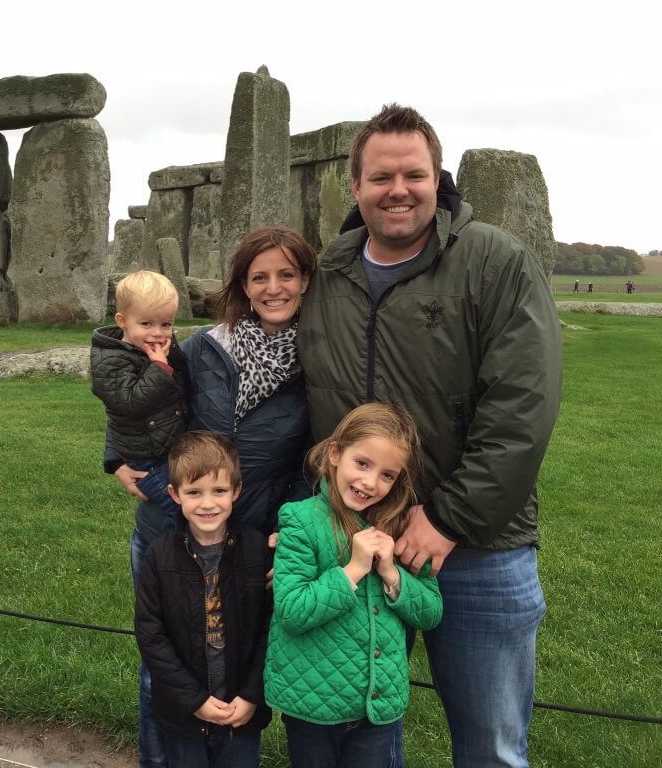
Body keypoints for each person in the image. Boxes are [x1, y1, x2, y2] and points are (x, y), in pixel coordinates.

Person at [298, 104, 563, 767]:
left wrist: (447, 518)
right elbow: (283, 390)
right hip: (351, 540)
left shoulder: (495, 261)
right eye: (381, 176)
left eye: (414, 174)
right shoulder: (328, 274)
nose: (398, 190)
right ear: (354, 185)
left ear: (438, 178)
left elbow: (522, 410)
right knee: (356, 729)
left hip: (476, 549)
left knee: (490, 748)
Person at [108, 226, 316, 768]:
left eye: (286, 275)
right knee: (164, 660)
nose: (273, 288)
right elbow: (140, 400)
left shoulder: (318, 361)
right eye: (259, 276)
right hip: (168, 531)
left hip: (249, 543)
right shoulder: (203, 347)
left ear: (306, 281)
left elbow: (315, 459)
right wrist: (116, 456)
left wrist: (290, 530)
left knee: (241, 656)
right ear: (243, 285)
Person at [266, 403, 442, 768]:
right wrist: (354, 570)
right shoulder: (299, 520)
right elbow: (292, 611)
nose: (369, 483)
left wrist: (393, 574)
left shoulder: (401, 525)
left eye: (387, 475)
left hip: (377, 706)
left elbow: (430, 613)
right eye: (362, 463)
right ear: (334, 453)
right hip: (313, 706)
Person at [135, 431, 272, 768]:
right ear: (174, 494)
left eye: (219, 491)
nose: (208, 504)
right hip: (184, 714)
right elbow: (151, 635)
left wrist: (253, 695)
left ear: (236, 491)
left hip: (241, 710)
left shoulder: (257, 551)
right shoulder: (159, 556)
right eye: (194, 492)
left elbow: (271, 630)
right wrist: (193, 700)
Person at [92, 270, 188, 523]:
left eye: (166, 324)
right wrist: (159, 368)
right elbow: (130, 403)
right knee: (182, 513)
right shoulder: (110, 361)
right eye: (147, 324)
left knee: (187, 509)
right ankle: (170, 556)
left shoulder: (151, 349)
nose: (158, 333)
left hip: (168, 449)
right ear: (122, 321)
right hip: (145, 460)